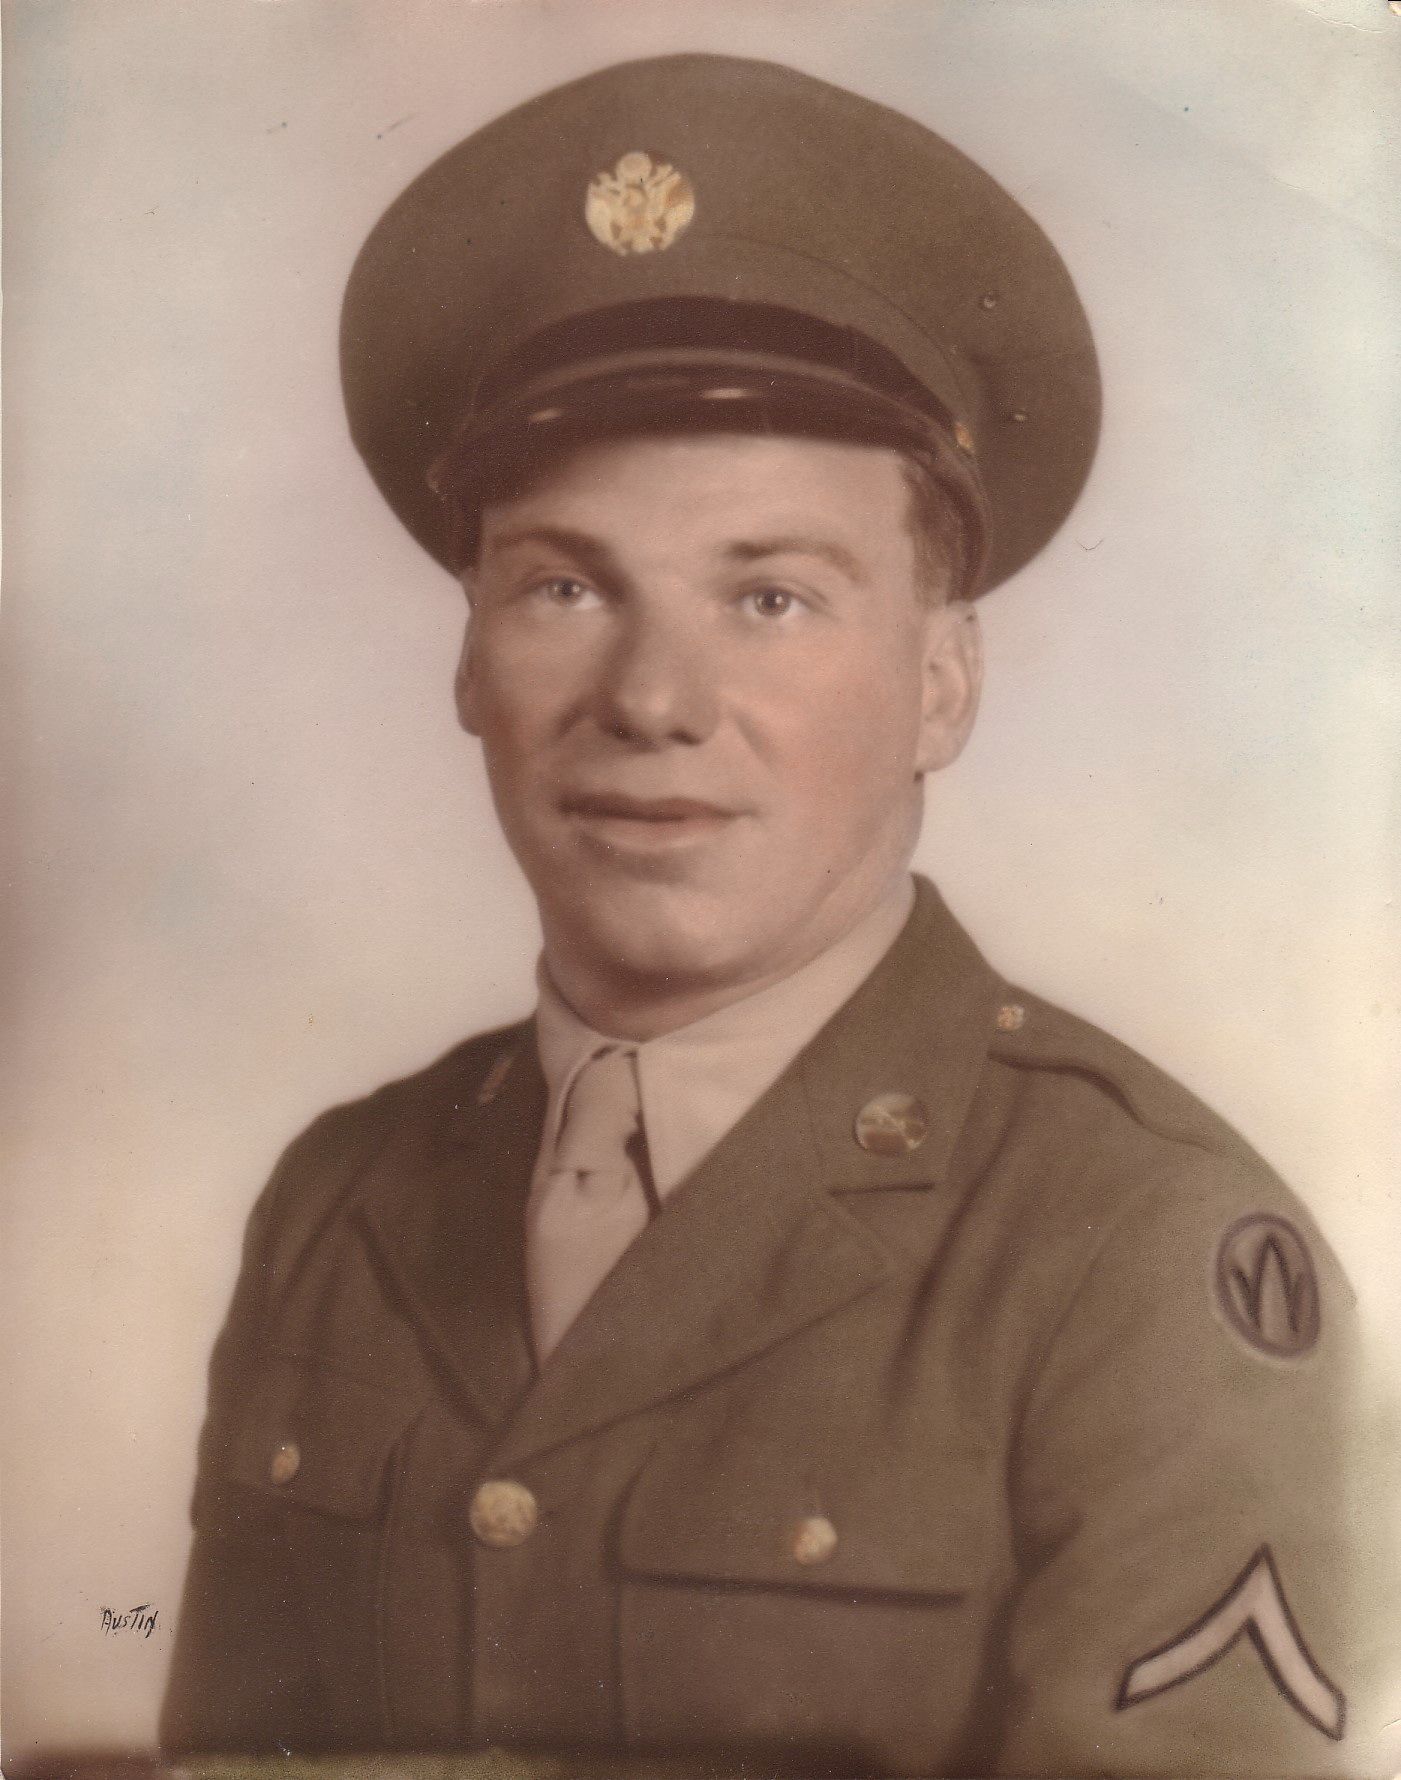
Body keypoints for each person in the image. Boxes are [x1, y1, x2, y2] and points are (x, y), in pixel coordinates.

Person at [161, 52, 1369, 1776]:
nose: (652, 700)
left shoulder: (1134, 1248)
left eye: (771, 598)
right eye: (564, 585)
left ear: (940, 684)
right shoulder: (338, 1205)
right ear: (468, 662)